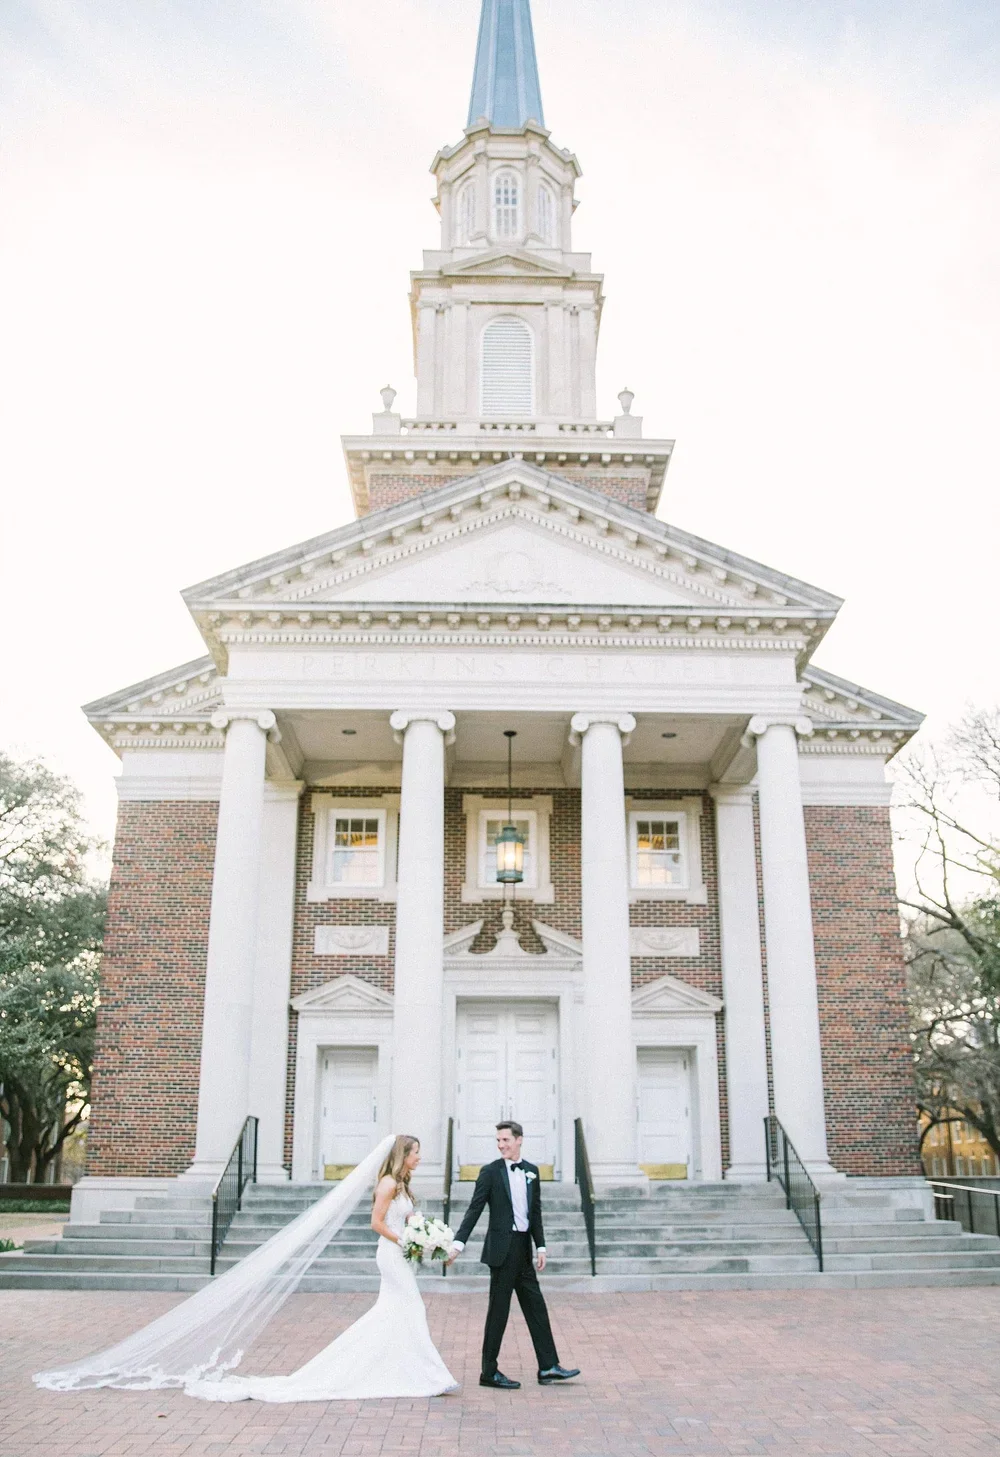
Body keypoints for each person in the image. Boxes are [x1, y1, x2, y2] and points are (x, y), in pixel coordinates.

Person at [35, 1134, 458, 1401]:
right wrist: (409, 1240)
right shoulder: (387, 1183)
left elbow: (402, 1222)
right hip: (391, 1255)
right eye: (417, 1152)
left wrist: (421, 1240)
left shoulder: (402, 1184)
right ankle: (420, 1372)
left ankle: (408, 1369)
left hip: (401, 1254)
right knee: (406, 1310)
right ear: (403, 1154)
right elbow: (376, 1224)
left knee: (396, 1313)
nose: (421, 1157)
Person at [447, 1120, 580, 1390]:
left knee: (537, 1307)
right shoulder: (490, 1172)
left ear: (519, 1140)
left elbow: (536, 1213)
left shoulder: (532, 1171)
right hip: (501, 1251)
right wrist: (458, 1244)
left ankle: (548, 1366)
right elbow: (475, 1210)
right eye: (498, 1141)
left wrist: (540, 1246)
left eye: (505, 1140)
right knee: (499, 1311)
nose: (501, 1145)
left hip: (523, 1250)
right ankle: (489, 1372)